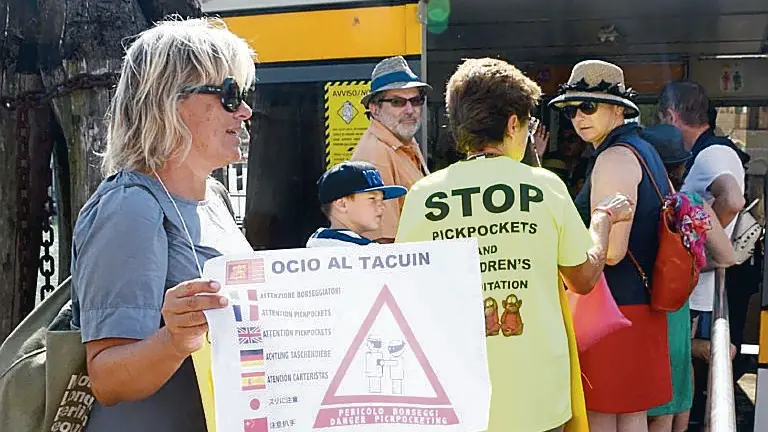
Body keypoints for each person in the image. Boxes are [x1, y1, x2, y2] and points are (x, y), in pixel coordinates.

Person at [396, 57, 634, 432]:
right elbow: (583, 278)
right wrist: (602, 220)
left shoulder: (423, 196)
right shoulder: (546, 187)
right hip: (538, 396)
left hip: (458, 397)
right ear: (512, 123)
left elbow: (408, 291)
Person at [70, 17, 255, 431]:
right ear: (170, 102)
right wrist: (174, 340)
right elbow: (107, 378)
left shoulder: (215, 200)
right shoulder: (130, 207)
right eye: (229, 94)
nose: (244, 110)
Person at [549, 59, 673, 431]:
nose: (578, 117)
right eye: (571, 109)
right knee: (630, 413)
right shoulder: (642, 151)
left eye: (588, 106)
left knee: (600, 415)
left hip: (610, 310)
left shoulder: (613, 157)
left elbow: (613, 251)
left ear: (618, 109)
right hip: (636, 306)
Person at [640, 125, 736, 432]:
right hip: (674, 306)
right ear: (683, 166)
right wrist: (689, 264)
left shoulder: (631, 201)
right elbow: (727, 257)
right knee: (670, 401)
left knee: (632, 407)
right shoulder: (691, 204)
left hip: (633, 307)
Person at [658, 81, 746, 352]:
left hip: (699, 293)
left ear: (671, 116)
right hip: (698, 289)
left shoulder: (712, 153)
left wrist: (697, 249)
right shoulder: (711, 151)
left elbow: (732, 200)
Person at [351, 56, 431, 243]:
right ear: (374, 108)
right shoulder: (376, 154)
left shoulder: (403, 142)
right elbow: (384, 242)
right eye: (397, 102)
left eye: (416, 100)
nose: (410, 110)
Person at [306, 161, 406, 247]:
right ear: (342, 204)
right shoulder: (363, 253)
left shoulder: (316, 244)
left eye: (382, 199)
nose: (382, 206)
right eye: (372, 198)